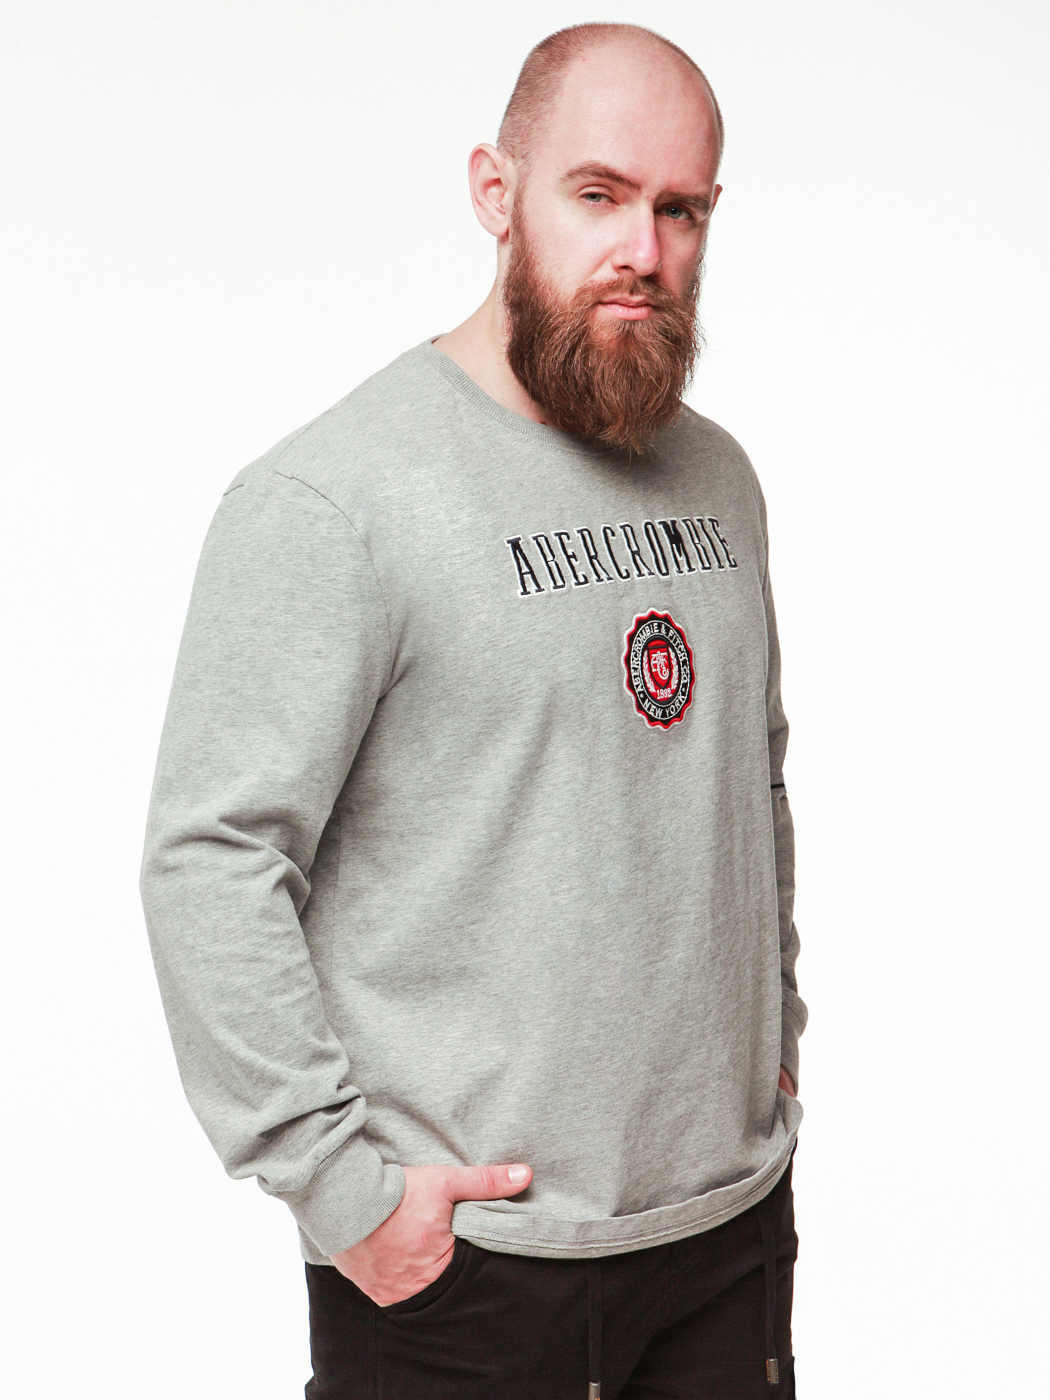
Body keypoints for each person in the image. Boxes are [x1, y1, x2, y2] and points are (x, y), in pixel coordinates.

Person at [141, 21, 807, 1400]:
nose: (642, 250)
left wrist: (772, 1061)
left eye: (680, 210)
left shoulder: (718, 480)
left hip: (726, 1231)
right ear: (495, 193)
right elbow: (213, 861)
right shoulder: (334, 502)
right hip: (472, 1267)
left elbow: (750, 783)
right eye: (597, 194)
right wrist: (341, 1190)